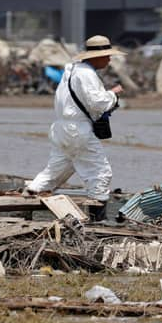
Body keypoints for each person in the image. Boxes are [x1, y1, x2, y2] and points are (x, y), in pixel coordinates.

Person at [25, 35, 124, 221]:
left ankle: (30, 195)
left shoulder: (72, 70)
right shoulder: (86, 73)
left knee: (55, 170)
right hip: (77, 130)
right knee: (100, 173)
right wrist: (113, 94)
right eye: (107, 56)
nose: (109, 60)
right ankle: (98, 221)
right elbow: (96, 103)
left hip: (62, 129)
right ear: (97, 56)